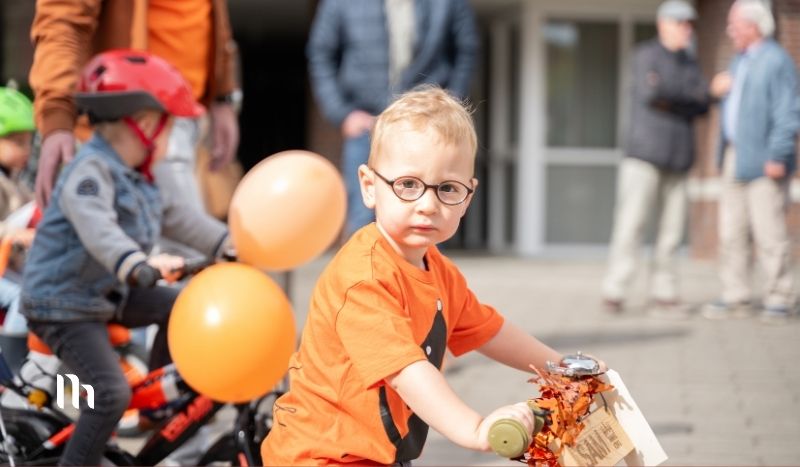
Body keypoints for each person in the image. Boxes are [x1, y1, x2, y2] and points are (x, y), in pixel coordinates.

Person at [260, 87, 601, 465]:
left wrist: (562, 369)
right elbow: (407, 371)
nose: (427, 205)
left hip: (379, 453)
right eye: (408, 184)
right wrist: (474, 429)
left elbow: (489, 330)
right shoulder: (363, 278)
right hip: (321, 455)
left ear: (468, 197)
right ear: (369, 186)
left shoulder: (437, 269)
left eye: (447, 189)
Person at [20, 50, 231, 466]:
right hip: (64, 304)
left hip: (106, 293)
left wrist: (229, 244)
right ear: (146, 124)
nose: (172, 136)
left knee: (186, 307)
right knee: (111, 393)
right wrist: (135, 264)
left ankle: (159, 398)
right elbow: (98, 228)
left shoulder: (143, 178)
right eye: (171, 125)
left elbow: (181, 219)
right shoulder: (90, 171)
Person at [28, 0, 240, 214]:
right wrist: (58, 114)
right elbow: (62, 21)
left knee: (177, 227)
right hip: (129, 124)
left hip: (187, 114)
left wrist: (223, 95)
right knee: (178, 236)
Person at [307, 0, 479, 238]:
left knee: (427, 219)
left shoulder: (449, 3)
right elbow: (321, 55)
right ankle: (369, 275)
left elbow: (466, 52)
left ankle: (421, 276)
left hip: (427, 130)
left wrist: (446, 109)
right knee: (363, 222)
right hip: (366, 126)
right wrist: (342, 113)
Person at [602, 0, 710, 317]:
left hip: (679, 158)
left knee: (671, 232)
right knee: (631, 225)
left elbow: (702, 104)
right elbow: (656, 93)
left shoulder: (690, 63)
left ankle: (665, 293)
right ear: (664, 23)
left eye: (689, 24)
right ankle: (615, 290)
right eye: (680, 23)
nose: (685, 29)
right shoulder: (645, 55)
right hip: (644, 156)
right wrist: (689, 98)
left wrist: (680, 98)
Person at [702, 0, 800, 324]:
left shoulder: (776, 61)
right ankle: (736, 295)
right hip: (734, 154)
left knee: (769, 232)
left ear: (753, 26)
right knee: (732, 231)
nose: (730, 31)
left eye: (735, 25)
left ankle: (780, 297)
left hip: (764, 159)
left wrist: (777, 155)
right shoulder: (739, 60)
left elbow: (788, 113)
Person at [0, 86, 36, 334]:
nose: (27, 149)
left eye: (29, 141)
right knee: (23, 299)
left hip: (10, 267)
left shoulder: (19, 183)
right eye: (17, 142)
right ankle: (12, 363)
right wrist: (12, 233)